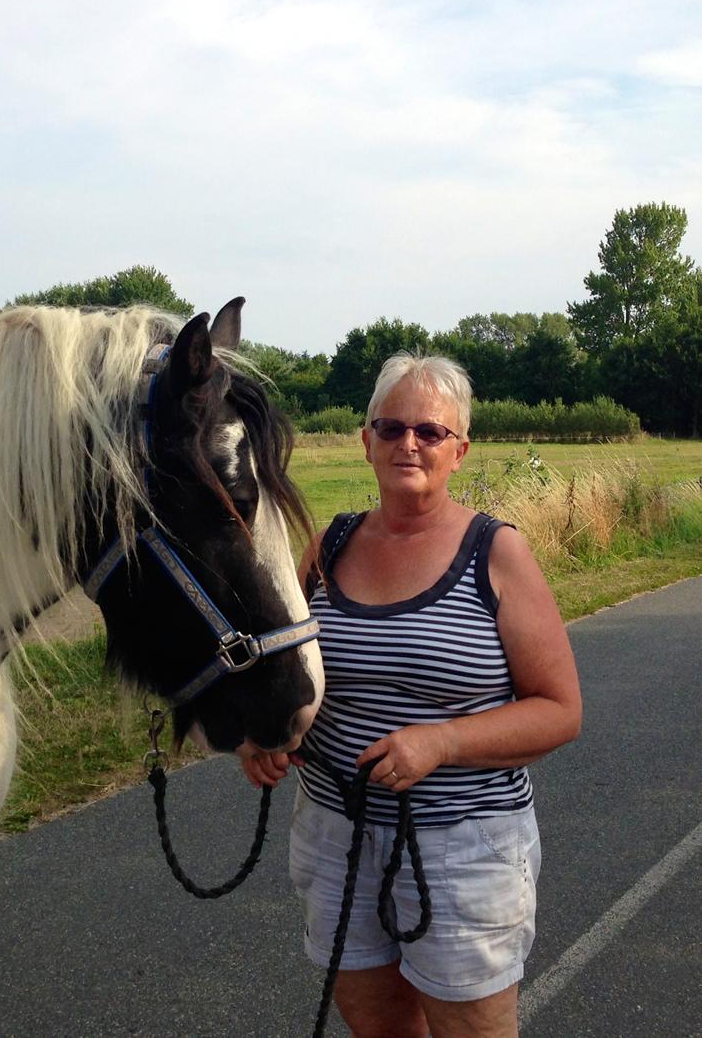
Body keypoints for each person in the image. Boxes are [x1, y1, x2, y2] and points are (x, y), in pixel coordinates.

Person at [239, 352, 581, 1038]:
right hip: (336, 834)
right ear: (365, 440)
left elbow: (560, 710)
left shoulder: (497, 553)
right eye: (391, 428)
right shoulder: (327, 544)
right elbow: (283, 668)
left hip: (462, 847)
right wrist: (263, 735)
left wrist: (443, 741)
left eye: (430, 431)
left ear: (461, 449)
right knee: (378, 1028)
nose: (409, 444)